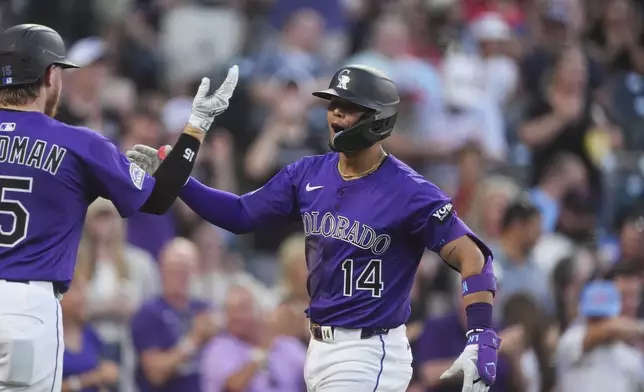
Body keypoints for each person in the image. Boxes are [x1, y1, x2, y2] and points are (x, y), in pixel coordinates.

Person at [127, 65, 501, 392]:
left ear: (378, 118)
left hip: (369, 349)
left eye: (349, 107)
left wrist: (481, 333)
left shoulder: (410, 191)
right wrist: (181, 182)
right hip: (319, 345)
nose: (336, 112)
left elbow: (474, 255)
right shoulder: (308, 173)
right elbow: (241, 215)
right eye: (333, 104)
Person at [0, 23, 237, 391]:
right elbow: (159, 200)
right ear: (50, 75)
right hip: (28, 309)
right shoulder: (78, 143)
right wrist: (195, 129)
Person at [130, 238, 221, 392]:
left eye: (186, 269)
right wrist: (194, 340)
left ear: (196, 271)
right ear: (161, 270)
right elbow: (155, 375)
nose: (180, 276)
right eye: (174, 270)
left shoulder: (204, 308)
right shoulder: (149, 313)